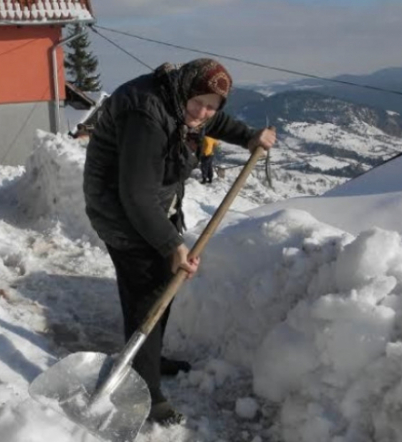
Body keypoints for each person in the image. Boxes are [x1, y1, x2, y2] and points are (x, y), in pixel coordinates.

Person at [82, 58, 276, 425]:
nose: (202, 113)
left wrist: (249, 136)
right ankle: (145, 389)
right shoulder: (145, 114)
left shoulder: (179, 99)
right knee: (147, 292)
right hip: (120, 211)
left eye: (211, 105)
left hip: (150, 206)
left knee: (161, 285)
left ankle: (147, 358)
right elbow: (135, 195)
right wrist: (172, 245)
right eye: (198, 102)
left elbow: (213, 121)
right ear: (184, 91)